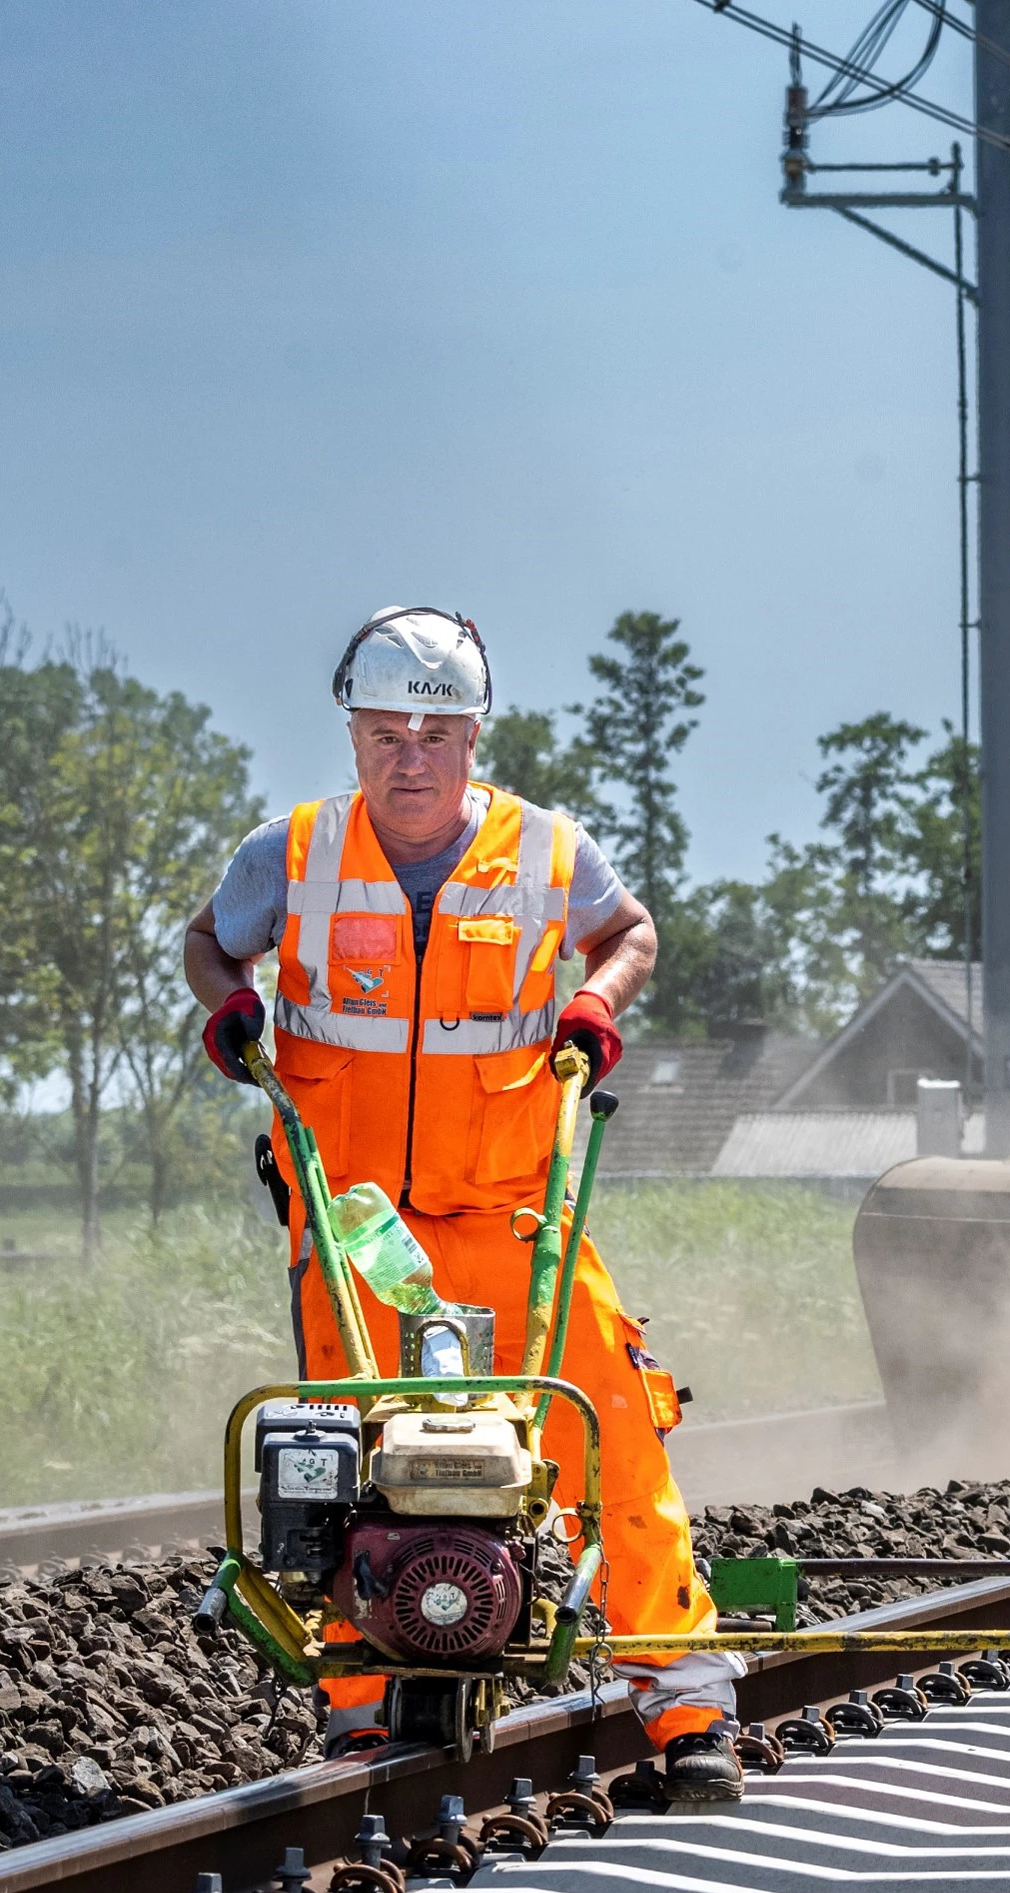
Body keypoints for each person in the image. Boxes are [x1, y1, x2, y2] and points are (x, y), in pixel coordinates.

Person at [180, 608, 747, 1801]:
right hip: (356, 1228)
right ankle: (366, 1710)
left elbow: (629, 932)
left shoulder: (547, 853)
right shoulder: (288, 855)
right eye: (386, 731)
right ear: (352, 734)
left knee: (611, 1422)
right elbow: (209, 945)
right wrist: (227, 1008)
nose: (411, 756)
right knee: (334, 1455)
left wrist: (598, 1000)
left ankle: (686, 1705)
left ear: (475, 733)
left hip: (514, 1215)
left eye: (436, 730)